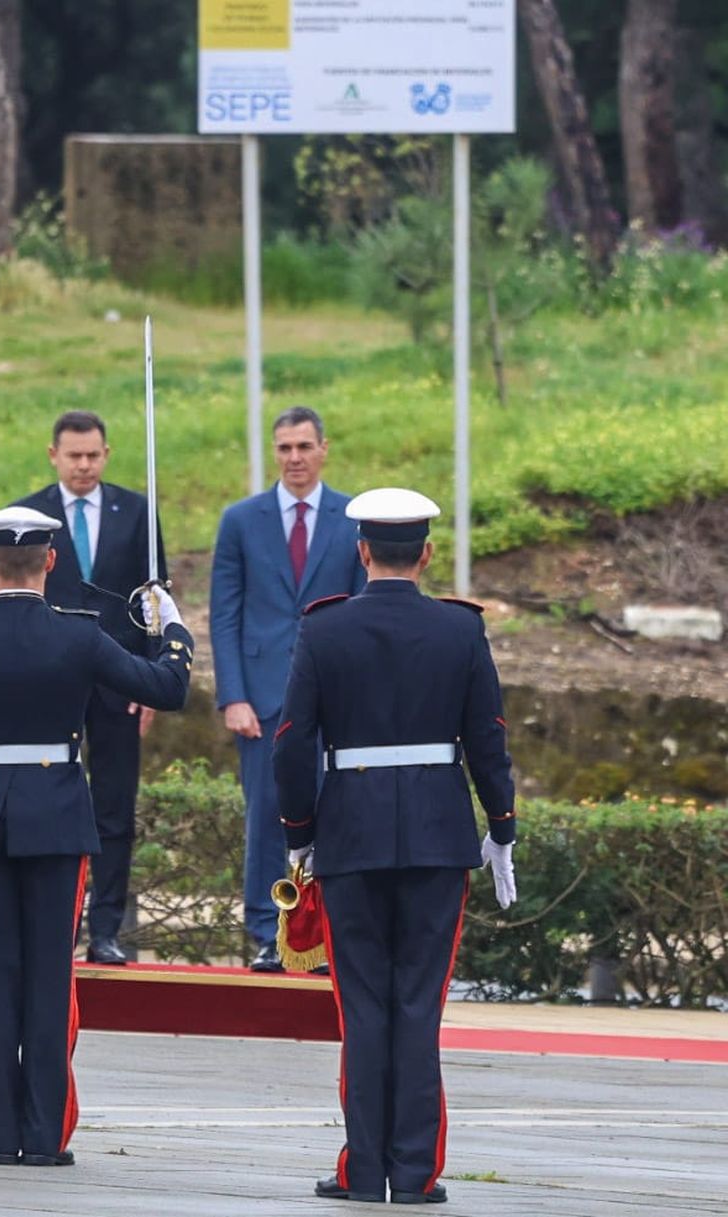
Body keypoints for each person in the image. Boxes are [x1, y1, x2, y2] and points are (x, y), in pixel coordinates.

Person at [0, 506, 192, 1168]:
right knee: (49, 978)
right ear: (51, 562)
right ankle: (45, 1135)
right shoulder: (80, 637)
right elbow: (167, 687)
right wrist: (170, 626)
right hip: (57, 815)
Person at [271, 487, 518, 1206]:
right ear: (429, 554)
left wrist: (301, 833)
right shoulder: (460, 629)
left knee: (364, 1007)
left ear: (362, 552)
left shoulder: (324, 629)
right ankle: (415, 1175)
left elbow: (292, 747)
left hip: (349, 835)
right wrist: (500, 826)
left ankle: (363, 1168)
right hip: (440, 838)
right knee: (418, 1006)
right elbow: (488, 736)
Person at [208, 405, 365, 972]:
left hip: (332, 698)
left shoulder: (353, 518)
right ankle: (264, 934)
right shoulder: (240, 520)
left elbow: (360, 612)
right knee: (267, 817)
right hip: (262, 699)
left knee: (332, 818)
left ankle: (321, 937)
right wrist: (233, 695)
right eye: (284, 448)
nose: (294, 458)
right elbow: (223, 615)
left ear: (324, 448)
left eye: (304, 446)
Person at [14, 411, 165, 965]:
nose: (84, 465)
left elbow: (155, 598)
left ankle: (106, 929)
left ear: (106, 453)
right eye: (74, 455)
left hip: (119, 679)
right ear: (53, 454)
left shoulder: (137, 511)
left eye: (93, 455)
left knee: (115, 806)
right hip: (49, 678)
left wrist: (151, 678)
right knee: (47, 799)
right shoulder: (29, 514)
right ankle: (52, 924)